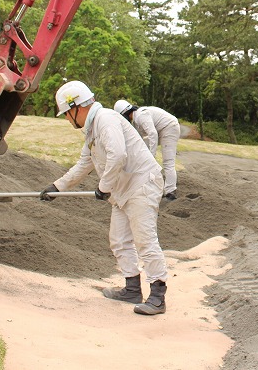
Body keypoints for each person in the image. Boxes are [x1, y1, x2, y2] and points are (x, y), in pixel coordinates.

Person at [41, 81, 168, 315]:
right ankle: (132, 289)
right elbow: (84, 163)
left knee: (145, 240)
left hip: (141, 185)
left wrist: (104, 186)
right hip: (123, 190)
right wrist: (57, 187)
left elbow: (118, 154)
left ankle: (158, 296)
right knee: (119, 240)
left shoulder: (106, 120)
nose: (68, 120)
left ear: (76, 107)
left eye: (67, 115)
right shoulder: (92, 131)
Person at [114, 100, 180, 201]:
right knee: (145, 148)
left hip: (170, 127)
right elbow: (139, 141)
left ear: (124, 114)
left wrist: (151, 156)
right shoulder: (136, 122)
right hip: (161, 130)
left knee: (168, 162)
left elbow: (153, 134)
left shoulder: (141, 115)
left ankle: (170, 192)